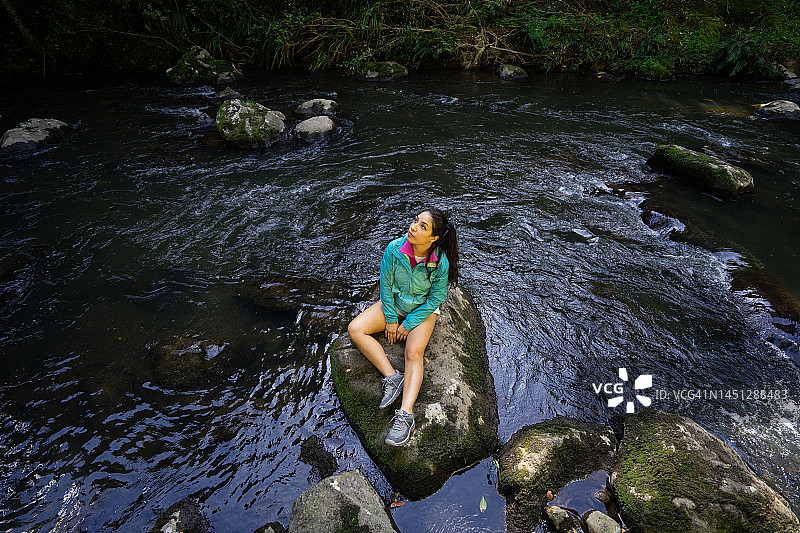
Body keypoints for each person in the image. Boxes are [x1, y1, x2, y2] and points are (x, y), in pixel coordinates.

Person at [347, 207, 460, 446]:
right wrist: (390, 318)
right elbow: (385, 286)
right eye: (415, 221)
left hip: (422, 309)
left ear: (433, 238)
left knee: (413, 352)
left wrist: (408, 324)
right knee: (355, 329)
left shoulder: (440, 262)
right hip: (395, 303)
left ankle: (405, 415)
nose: (413, 227)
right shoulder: (394, 249)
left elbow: (435, 299)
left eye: (422, 226)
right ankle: (391, 376)